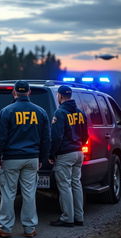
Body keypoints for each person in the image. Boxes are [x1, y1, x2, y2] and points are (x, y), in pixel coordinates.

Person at [0, 80, 51, 238]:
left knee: (8, 193)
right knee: (29, 193)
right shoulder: (41, 112)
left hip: (11, 158)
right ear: (29, 92)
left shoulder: (6, 111)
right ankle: (29, 228)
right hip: (32, 158)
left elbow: (0, 137)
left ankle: (5, 228)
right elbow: (46, 139)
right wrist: (42, 158)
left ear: (14, 92)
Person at [49, 85, 88, 227]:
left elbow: (56, 137)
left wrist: (52, 154)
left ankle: (67, 218)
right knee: (76, 184)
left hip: (65, 154)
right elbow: (85, 136)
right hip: (78, 152)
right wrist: (78, 145)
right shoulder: (80, 112)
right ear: (70, 95)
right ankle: (79, 217)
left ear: (59, 96)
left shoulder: (60, 113)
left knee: (64, 186)